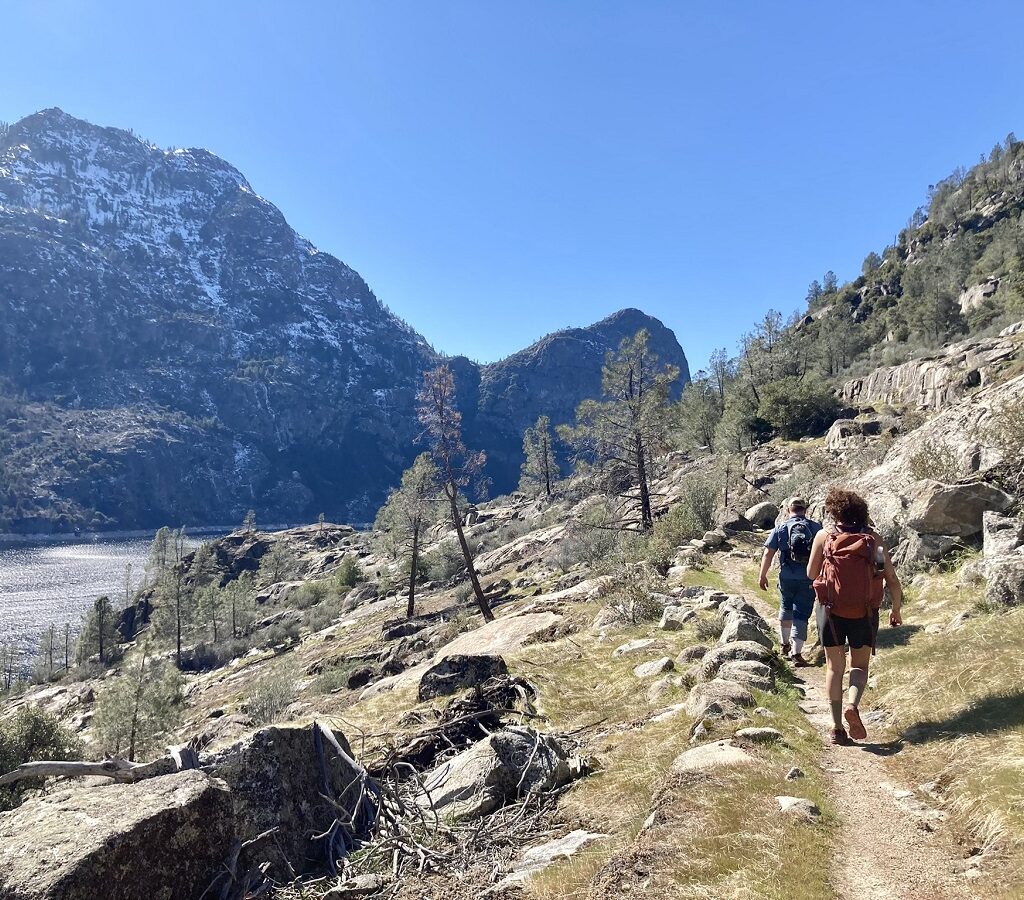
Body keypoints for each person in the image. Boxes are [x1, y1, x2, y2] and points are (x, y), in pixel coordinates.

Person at [807, 487, 903, 746]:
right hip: (864, 611)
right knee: (859, 667)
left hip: (830, 610)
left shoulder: (823, 536)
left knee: (834, 668)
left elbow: (811, 573)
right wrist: (895, 608)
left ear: (834, 511)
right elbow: (886, 575)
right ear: (862, 512)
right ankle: (852, 704)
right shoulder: (874, 539)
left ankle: (837, 727)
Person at [758, 497, 821, 666]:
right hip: (808, 577)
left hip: (786, 576)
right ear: (805, 510)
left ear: (788, 510)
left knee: (786, 607)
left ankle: (784, 644)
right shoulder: (816, 528)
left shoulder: (780, 528)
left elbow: (768, 554)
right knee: (801, 613)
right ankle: (796, 653)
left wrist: (762, 575)